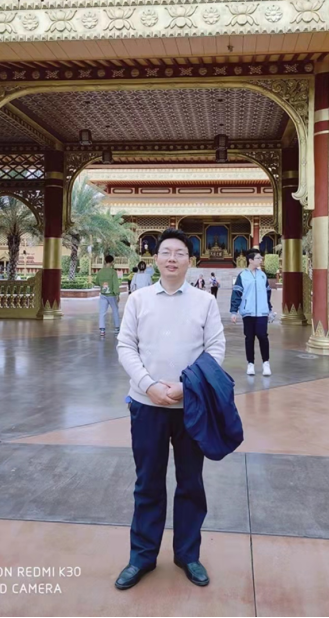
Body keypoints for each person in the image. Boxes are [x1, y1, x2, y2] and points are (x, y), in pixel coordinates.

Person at [115, 228, 226, 591]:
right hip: (146, 405)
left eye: (180, 253)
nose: (172, 258)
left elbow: (215, 349)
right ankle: (142, 556)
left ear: (189, 261)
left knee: (191, 482)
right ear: (156, 258)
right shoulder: (139, 299)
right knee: (148, 482)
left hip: (190, 406)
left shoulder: (204, 302)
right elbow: (125, 346)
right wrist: (148, 384)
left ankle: (187, 554)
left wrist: (185, 386)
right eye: (166, 252)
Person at [230, 249, 273, 377]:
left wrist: (269, 309)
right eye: (258, 258)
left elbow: (267, 294)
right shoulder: (242, 276)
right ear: (251, 260)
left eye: (261, 258)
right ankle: (250, 364)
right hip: (248, 312)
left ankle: (266, 363)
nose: (261, 260)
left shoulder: (263, 275)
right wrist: (234, 311)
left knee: (262, 336)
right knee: (249, 338)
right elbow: (236, 293)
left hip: (262, 312)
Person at [94, 254, 120, 337]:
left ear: (105, 261)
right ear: (112, 262)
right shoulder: (113, 272)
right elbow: (115, 283)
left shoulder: (100, 271)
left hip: (103, 295)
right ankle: (117, 328)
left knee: (102, 312)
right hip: (112, 295)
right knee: (115, 310)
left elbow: (97, 282)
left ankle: (102, 330)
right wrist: (117, 294)